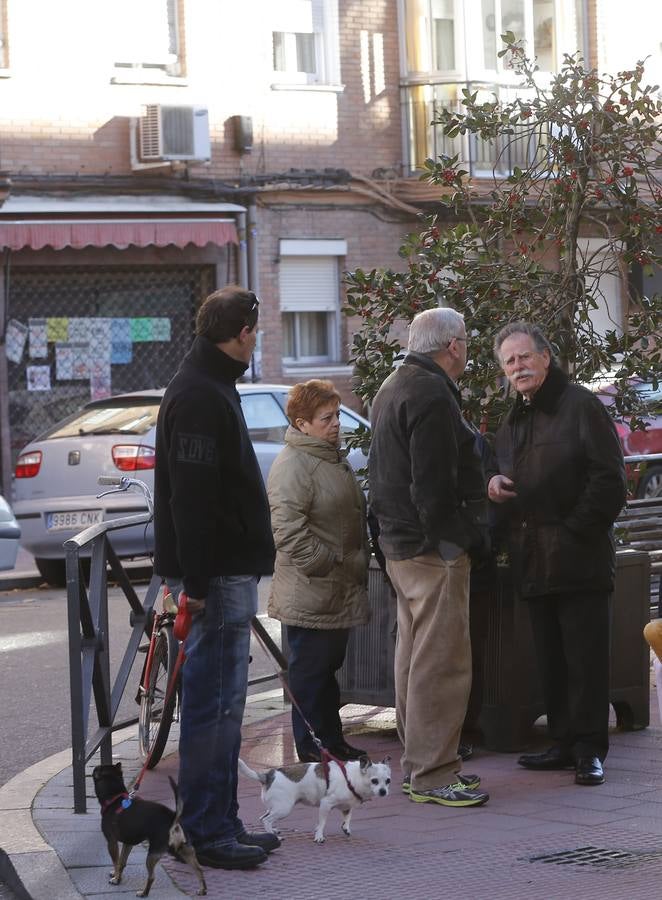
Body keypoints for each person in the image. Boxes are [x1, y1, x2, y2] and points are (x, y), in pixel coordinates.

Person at [153, 285, 278, 870]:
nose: (256, 341)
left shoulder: (207, 385)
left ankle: (220, 821)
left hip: (222, 573)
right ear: (244, 333)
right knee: (214, 708)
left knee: (224, 707)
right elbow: (192, 500)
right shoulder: (203, 395)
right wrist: (195, 585)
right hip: (216, 578)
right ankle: (206, 830)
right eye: (255, 331)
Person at [488, 321, 626, 786]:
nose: (518, 367)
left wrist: (571, 532)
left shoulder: (581, 406)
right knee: (550, 658)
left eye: (525, 357)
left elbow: (609, 481)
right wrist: (494, 486)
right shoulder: (514, 419)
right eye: (509, 362)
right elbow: (504, 472)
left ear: (546, 357)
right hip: (532, 557)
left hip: (578, 556)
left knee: (586, 660)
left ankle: (589, 750)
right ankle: (564, 742)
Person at [369, 306, 490, 808]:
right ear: (453, 345)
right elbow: (433, 488)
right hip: (428, 547)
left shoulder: (394, 384)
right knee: (440, 663)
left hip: (399, 543)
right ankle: (434, 773)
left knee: (414, 657)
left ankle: (418, 765)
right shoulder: (430, 392)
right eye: (466, 341)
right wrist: (460, 540)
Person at [267, 379, 370, 762]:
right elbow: (289, 532)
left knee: (327, 672)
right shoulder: (294, 464)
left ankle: (332, 742)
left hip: (334, 588)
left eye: (337, 415)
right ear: (301, 423)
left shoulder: (327, 456)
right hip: (312, 590)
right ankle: (312, 751)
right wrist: (328, 563)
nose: (335, 424)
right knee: (310, 676)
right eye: (326, 418)